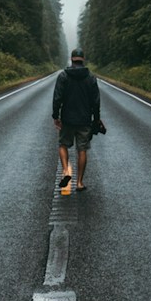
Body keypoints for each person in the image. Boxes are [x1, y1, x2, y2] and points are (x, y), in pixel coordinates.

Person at [50, 48, 103, 193]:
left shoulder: (63, 76)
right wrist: (96, 119)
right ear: (83, 59)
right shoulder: (91, 77)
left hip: (67, 119)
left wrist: (56, 116)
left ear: (71, 59)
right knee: (82, 149)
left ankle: (66, 171)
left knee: (63, 145)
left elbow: (57, 98)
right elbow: (96, 102)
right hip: (84, 120)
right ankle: (79, 182)